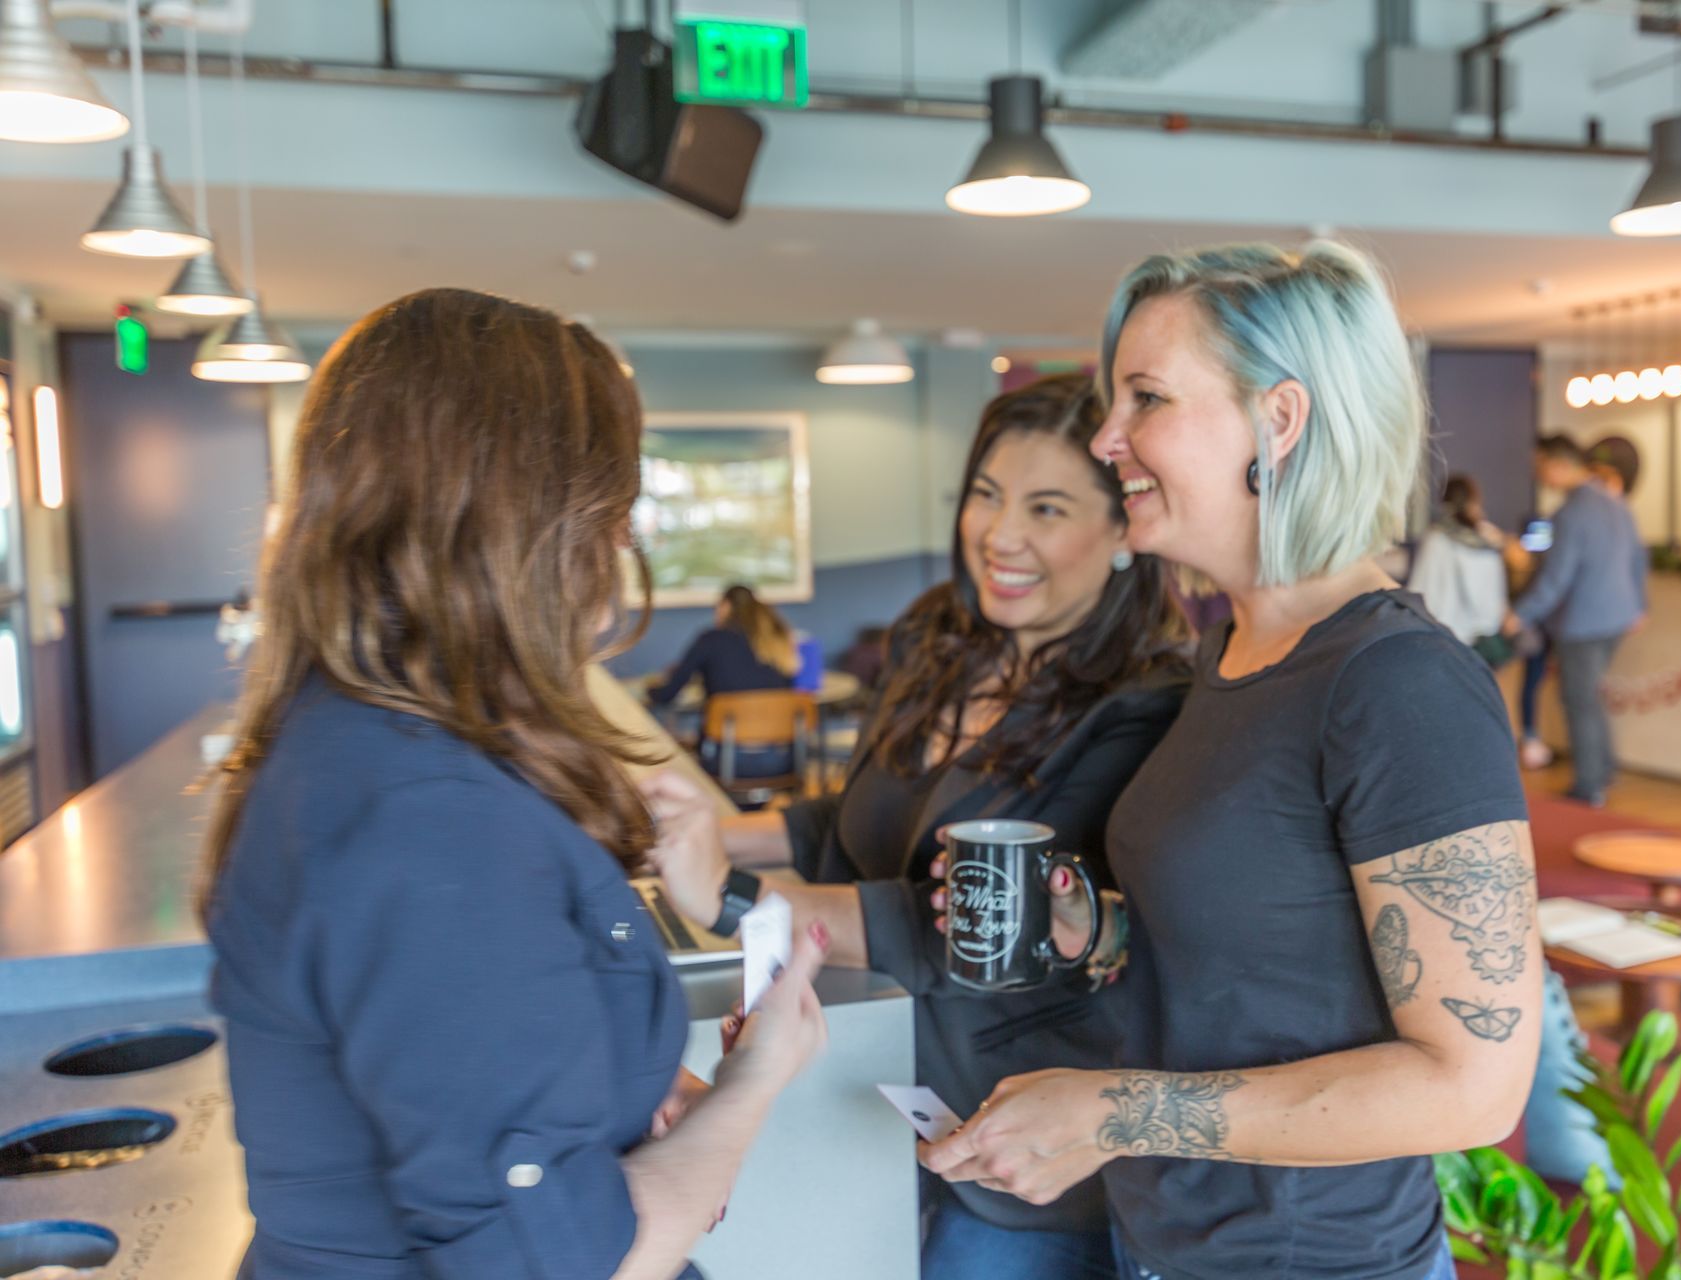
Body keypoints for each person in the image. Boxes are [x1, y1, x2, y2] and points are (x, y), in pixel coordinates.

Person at [923, 243, 1542, 1280]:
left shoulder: (1399, 685)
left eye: (1146, 398)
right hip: (1168, 1235)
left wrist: (1113, 1110)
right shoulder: (1230, 654)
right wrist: (1096, 924)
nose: (1107, 438)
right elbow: (1256, 964)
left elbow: (1474, 1088)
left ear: (1279, 421)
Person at [200, 288, 827, 1280]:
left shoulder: (360, 742)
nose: (620, 549)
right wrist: (757, 1077)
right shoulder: (431, 819)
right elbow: (574, 1265)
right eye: (610, 514)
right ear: (538, 526)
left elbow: (453, 1051)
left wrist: (613, 1077)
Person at [647, 373, 1192, 1280]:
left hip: (1019, 1149)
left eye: (1046, 508)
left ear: (1125, 530)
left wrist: (739, 895)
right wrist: (723, 827)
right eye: (986, 493)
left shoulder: (1140, 708)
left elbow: (976, 925)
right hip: (890, 1082)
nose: (999, 534)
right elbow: (861, 819)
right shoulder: (943, 638)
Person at [1503, 434, 1648, 808]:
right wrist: (1638, 606)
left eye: (1541, 466)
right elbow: (1637, 557)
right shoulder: (1615, 504)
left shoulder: (1570, 514)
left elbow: (1555, 578)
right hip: (1616, 617)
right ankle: (1603, 769)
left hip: (1583, 622)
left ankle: (1589, 786)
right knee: (1590, 695)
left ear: (1559, 463)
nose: (1539, 475)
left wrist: (1520, 614)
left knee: (1579, 699)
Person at [651, 584, 800, 783]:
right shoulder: (777, 642)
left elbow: (667, 694)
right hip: (781, 759)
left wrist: (649, 691)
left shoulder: (710, 640)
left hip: (726, 760)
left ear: (726, 606)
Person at [1407, 474, 1512, 659]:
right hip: (1480, 633)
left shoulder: (1435, 538)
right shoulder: (1488, 538)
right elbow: (1495, 590)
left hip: (1445, 634)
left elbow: (1420, 587)